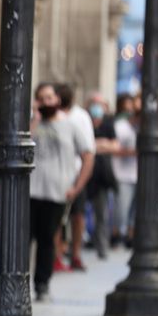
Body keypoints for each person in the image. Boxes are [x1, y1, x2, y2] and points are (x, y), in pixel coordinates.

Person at [29, 83, 93, 302]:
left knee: (47, 239)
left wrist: (77, 187)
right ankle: (18, 282)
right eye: (41, 98)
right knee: (24, 239)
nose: (46, 102)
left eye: (49, 97)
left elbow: (88, 155)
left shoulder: (72, 125)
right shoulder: (32, 123)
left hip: (57, 193)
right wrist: (35, 119)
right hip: (30, 191)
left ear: (57, 99)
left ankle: (42, 284)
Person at [53, 83, 95, 272]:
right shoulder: (49, 117)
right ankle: (57, 255)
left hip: (75, 173)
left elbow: (88, 150)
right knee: (55, 218)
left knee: (77, 216)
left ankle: (75, 254)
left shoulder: (80, 117)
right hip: (56, 175)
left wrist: (78, 184)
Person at [85, 92, 118, 259]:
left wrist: (94, 145)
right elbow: (84, 146)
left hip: (102, 175)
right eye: (94, 103)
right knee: (79, 212)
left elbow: (114, 145)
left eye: (100, 104)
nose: (97, 107)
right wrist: (99, 144)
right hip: (84, 173)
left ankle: (101, 245)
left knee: (102, 213)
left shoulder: (109, 123)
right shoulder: (84, 121)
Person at [111, 94, 139, 247]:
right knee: (121, 208)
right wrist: (131, 152)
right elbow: (114, 148)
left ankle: (130, 235)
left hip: (137, 174)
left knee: (134, 210)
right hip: (122, 174)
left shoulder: (142, 127)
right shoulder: (120, 126)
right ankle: (116, 234)